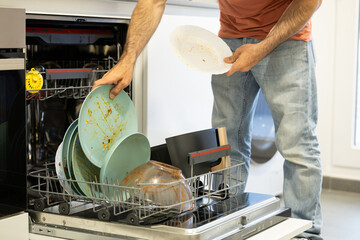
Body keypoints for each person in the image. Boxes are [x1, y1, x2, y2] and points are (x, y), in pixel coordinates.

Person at [92, 0, 323, 239]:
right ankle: (229, 225)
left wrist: (263, 46)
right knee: (227, 145)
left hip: (286, 40)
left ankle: (306, 233)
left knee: (297, 145)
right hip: (229, 40)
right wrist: (127, 60)